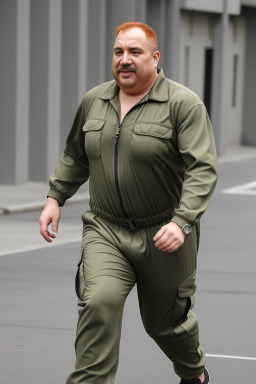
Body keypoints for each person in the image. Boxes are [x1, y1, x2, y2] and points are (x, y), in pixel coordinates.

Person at [39, 22, 217, 384]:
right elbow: (76, 155)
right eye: (118, 52)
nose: (124, 60)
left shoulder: (182, 104)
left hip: (164, 232)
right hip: (106, 228)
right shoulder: (95, 100)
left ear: (155, 57)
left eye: (134, 52)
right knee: (98, 304)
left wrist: (181, 221)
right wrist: (55, 197)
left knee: (166, 324)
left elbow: (203, 169)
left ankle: (193, 372)